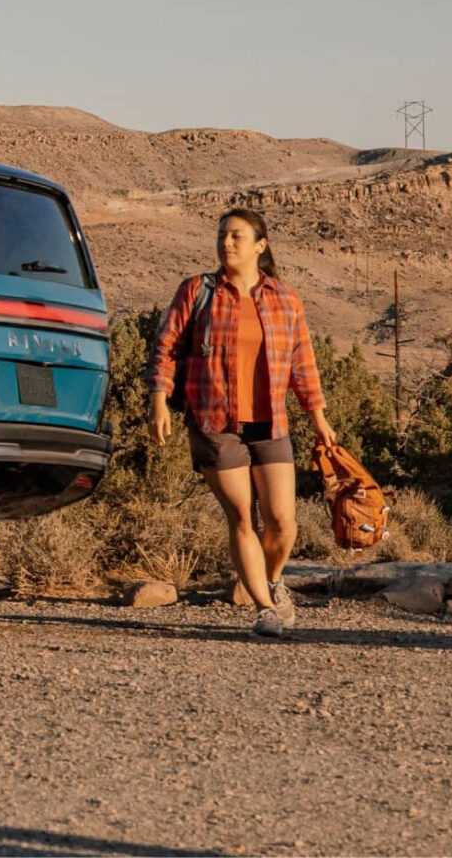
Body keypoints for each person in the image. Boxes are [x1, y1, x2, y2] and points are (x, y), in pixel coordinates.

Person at [149, 207, 338, 638]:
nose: (226, 243)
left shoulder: (284, 297)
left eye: (236, 236)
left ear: (260, 245)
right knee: (241, 516)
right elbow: (166, 347)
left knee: (282, 521)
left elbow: (302, 362)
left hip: (271, 421)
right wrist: (158, 401)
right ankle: (267, 608)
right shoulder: (198, 291)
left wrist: (319, 418)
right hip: (215, 421)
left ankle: (271, 580)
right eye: (221, 235)